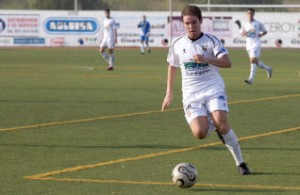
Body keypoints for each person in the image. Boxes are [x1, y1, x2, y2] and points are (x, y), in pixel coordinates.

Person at [161, 5, 250, 175]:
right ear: (183, 24)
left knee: (223, 125)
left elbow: (227, 62)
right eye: (187, 23)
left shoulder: (211, 41)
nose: (190, 26)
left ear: (201, 22)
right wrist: (169, 93)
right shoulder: (177, 44)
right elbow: (172, 66)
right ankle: (215, 128)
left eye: (194, 22)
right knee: (200, 133)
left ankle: (241, 163)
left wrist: (206, 59)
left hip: (213, 88)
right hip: (191, 94)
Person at [240, 8, 272, 85]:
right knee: (256, 63)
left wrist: (260, 35)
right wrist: (245, 33)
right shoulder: (244, 23)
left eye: (251, 13)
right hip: (248, 45)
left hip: (256, 44)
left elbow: (265, 31)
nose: (250, 15)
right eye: (248, 13)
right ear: (246, 14)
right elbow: (242, 33)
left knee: (252, 60)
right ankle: (268, 69)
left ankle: (251, 79)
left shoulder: (258, 23)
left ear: (254, 14)